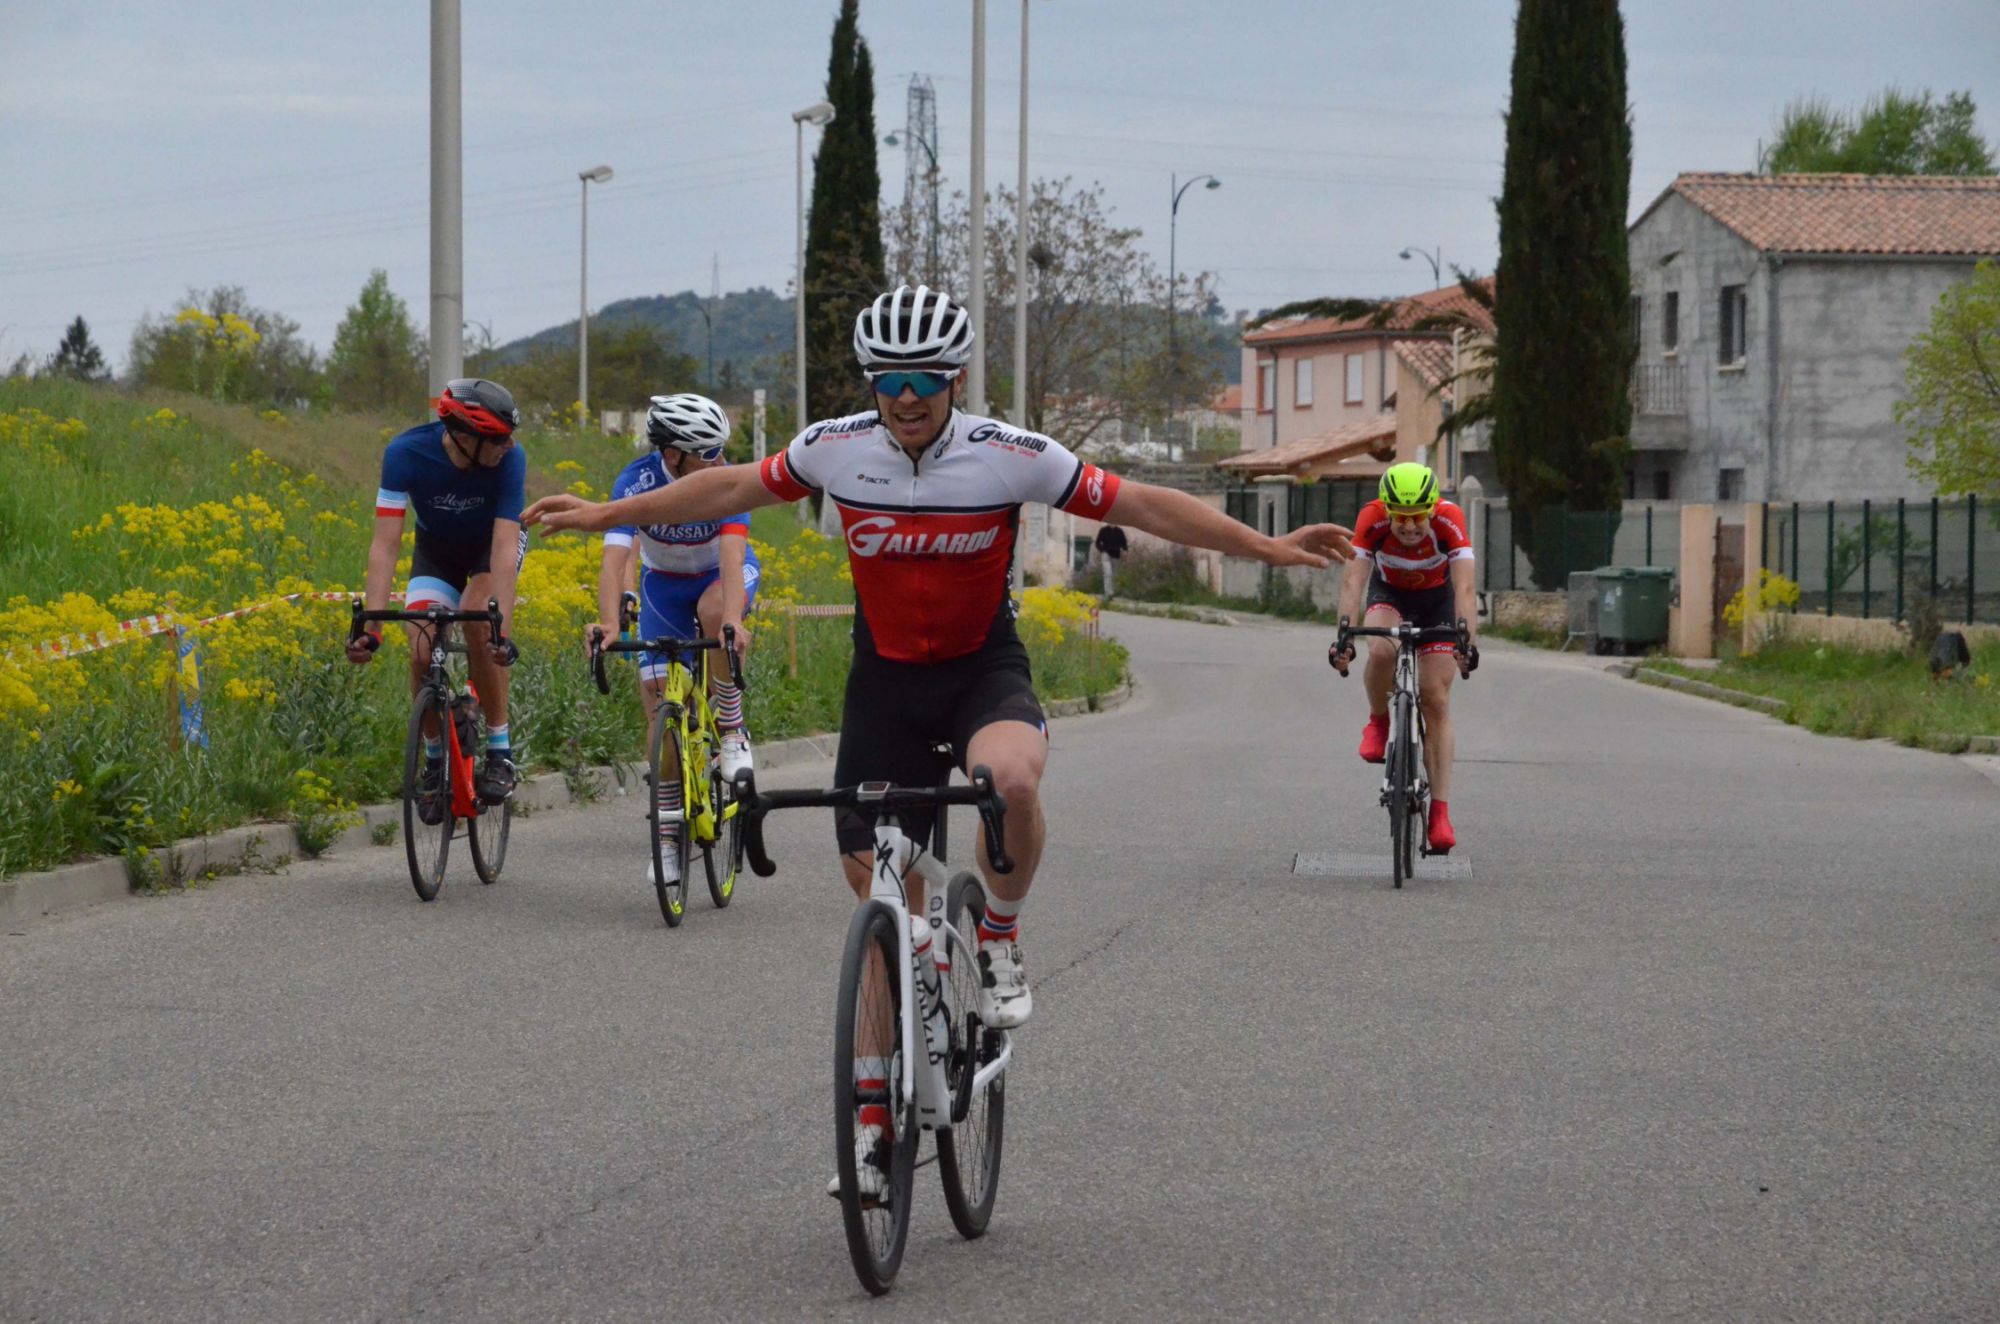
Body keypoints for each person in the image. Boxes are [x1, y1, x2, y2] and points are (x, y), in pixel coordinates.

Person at [523, 285, 1352, 1191]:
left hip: (979, 673)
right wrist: (604, 516)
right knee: (884, 904)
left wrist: (1271, 550)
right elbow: (728, 485)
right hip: (884, 685)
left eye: (925, 377)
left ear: (956, 378)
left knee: (1013, 782)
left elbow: (1145, 503)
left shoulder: (1010, 455)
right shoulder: (836, 448)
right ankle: (875, 1121)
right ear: (872, 383)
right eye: (889, 378)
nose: (907, 395)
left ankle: (997, 931)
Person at [592, 392, 760, 889]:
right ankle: (668, 839)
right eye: (707, 453)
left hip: (720, 577)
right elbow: (613, 558)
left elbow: (732, 556)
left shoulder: (726, 481)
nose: (719, 460)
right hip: (663, 585)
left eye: (721, 449)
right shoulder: (636, 482)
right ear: (672, 455)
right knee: (661, 708)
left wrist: (733, 619)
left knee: (715, 615)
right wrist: (609, 622)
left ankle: (732, 727)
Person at [347, 378, 527, 811]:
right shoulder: (405, 453)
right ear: (466, 436)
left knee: (476, 616)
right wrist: (372, 627)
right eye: (498, 438)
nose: (508, 445)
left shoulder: (510, 460)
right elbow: (385, 545)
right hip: (437, 551)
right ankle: (434, 760)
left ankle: (499, 751)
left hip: (491, 546)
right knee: (421, 648)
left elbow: (505, 548)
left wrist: (501, 630)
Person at [1328, 461, 1477, 852]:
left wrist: (1466, 643)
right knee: (1380, 649)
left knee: (1435, 697)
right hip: (1390, 595)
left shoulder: (1450, 520)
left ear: (1432, 509)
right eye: (1400, 517)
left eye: (1417, 517)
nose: (1409, 527)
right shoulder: (1371, 518)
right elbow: (1353, 581)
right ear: (1387, 510)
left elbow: (1465, 589)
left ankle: (1440, 814)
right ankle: (1378, 721)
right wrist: (1344, 637)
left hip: (1438, 603)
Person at [1094, 523, 1129, 597]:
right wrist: (1102, 550)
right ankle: (1108, 593)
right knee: (1107, 573)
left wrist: (1125, 551)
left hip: (1116, 555)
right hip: (1106, 555)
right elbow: (1097, 542)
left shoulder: (1119, 531)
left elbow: (1124, 543)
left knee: (1114, 575)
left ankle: (1112, 592)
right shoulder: (1103, 530)